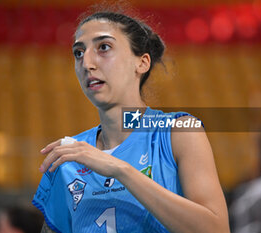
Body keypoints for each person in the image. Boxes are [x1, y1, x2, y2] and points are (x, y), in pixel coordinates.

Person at [32, 4, 230, 233]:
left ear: (142, 63)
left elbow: (217, 229)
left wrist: (120, 169)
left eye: (104, 47)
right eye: (79, 52)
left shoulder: (180, 131)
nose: (87, 64)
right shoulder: (68, 157)